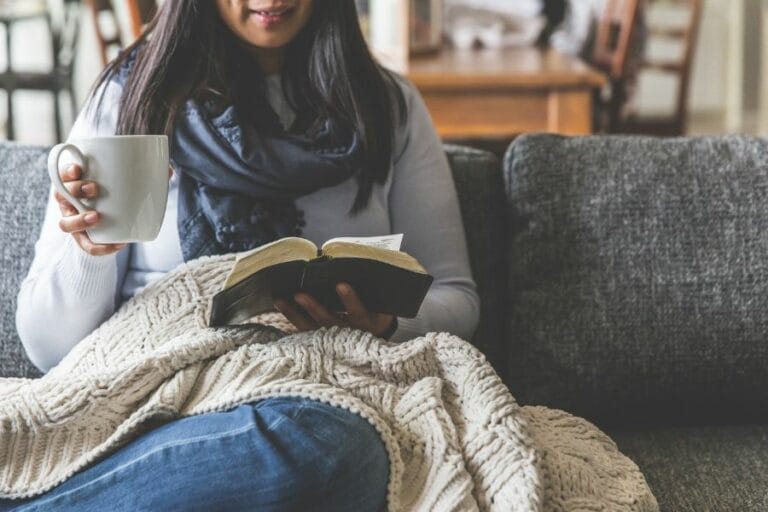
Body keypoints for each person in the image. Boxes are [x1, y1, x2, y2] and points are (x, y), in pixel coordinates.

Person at [8, 0, 479, 510]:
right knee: (321, 450)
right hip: (155, 399)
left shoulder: (387, 105)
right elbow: (48, 350)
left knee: (337, 445)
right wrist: (90, 253)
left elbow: (457, 299)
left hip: (315, 390)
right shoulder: (131, 96)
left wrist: (388, 324)